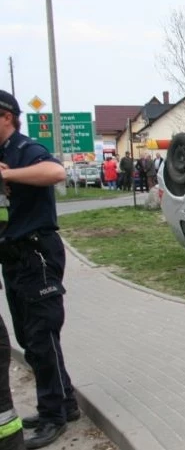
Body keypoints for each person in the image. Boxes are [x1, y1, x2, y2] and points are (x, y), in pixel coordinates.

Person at [0, 90, 77, 449]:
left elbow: (55, 171)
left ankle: (53, 415)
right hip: (13, 259)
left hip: (37, 255)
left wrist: (12, 174)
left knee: (42, 337)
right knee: (30, 339)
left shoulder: (23, 149)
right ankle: (66, 403)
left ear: (6, 116)